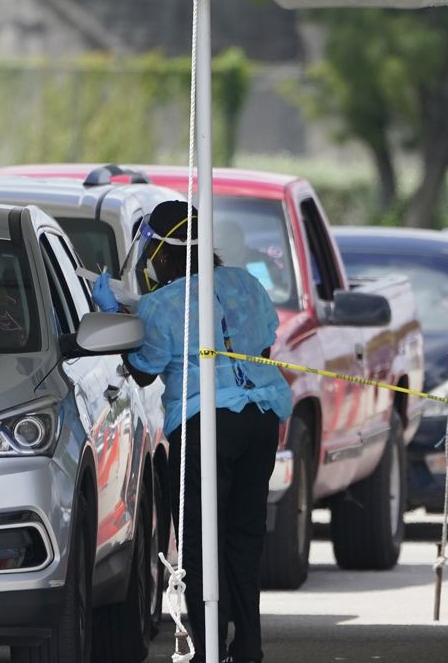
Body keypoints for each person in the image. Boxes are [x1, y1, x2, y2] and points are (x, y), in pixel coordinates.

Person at [95, 201, 291, 663]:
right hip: (261, 421)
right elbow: (262, 346)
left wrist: (120, 321)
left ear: (160, 253)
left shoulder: (163, 303)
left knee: (203, 541)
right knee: (245, 537)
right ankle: (249, 646)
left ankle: (208, 651)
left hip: (207, 427)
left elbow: (144, 373)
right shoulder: (245, 282)